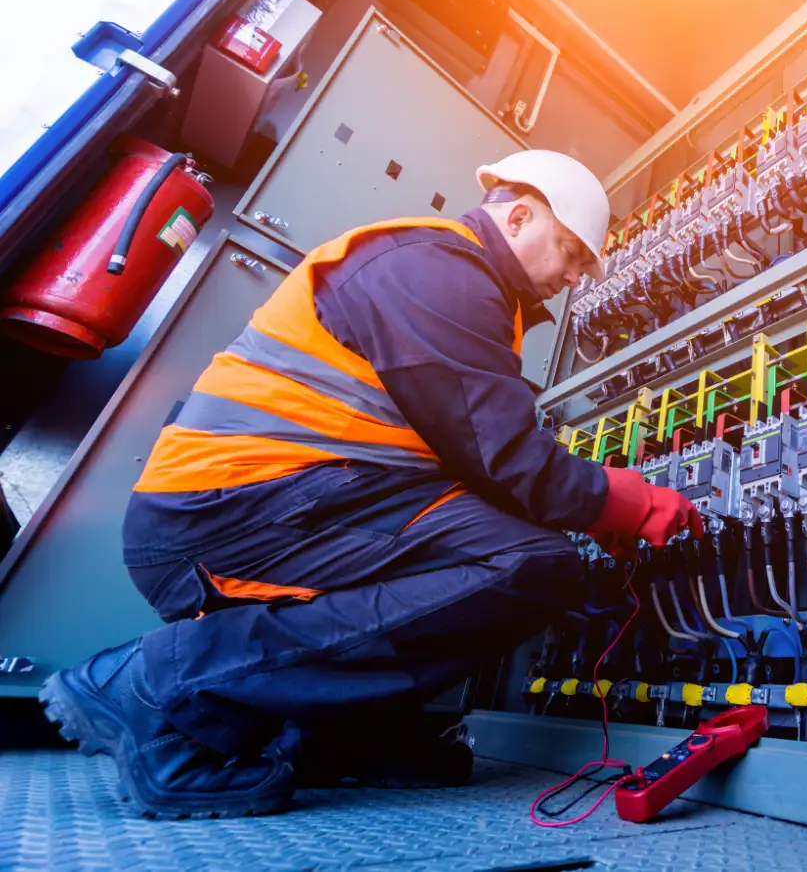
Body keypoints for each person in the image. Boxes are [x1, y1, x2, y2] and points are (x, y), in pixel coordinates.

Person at [39, 150, 700, 818]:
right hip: (233, 516)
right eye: (571, 253)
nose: (576, 277)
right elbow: (500, 453)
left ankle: (338, 734)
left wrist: (588, 509)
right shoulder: (438, 269)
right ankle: (168, 688)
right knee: (531, 563)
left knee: (518, 548)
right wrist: (625, 501)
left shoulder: (465, 285)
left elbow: (473, 460)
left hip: (290, 503)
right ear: (520, 215)